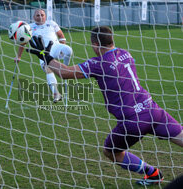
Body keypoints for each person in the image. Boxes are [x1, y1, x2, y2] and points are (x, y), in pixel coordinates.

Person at [27, 27, 183, 186]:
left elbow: (65, 72)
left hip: (132, 120)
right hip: (152, 109)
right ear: (112, 40)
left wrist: (45, 57)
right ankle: (153, 175)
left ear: (95, 44)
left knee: (111, 151)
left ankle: (153, 173)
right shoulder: (125, 53)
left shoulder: (98, 63)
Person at [17, 9, 73, 103]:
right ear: (33, 17)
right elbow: (23, 43)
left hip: (55, 47)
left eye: (42, 15)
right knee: (48, 69)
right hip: (42, 52)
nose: (40, 17)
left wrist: (62, 45)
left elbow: (61, 36)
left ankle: (65, 71)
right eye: (38, 15)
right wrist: (18, 56)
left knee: (68, 50)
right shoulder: (29, 27)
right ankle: (56, 94)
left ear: (45, 16)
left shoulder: (52, 23)